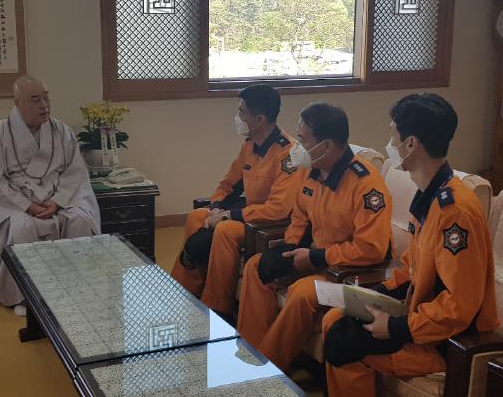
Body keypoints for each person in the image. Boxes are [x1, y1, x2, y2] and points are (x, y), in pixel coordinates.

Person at [322, 93, 500, 397]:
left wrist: (396, 328)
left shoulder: (455, 211)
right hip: (419, 318)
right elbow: (414, 269)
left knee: (344, 344)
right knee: (336, 319)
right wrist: (377, 295)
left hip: (442, 341)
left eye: (393, 134)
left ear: (411, 144)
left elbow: (459, 305)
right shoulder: (430, 195)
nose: (389, 143)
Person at [237, 102, 393, 371]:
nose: (296, 146)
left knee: (302, 292)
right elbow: (299, 216)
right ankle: (249, 349)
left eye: (302, 139)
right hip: (313, 257)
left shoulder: (366, 185)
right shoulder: (311, 171)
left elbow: (371, 249)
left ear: (326, 146)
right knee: (256, 266)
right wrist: (290, 249)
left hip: (346, 271)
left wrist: (317, 257)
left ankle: (267, 369)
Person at [0, 76, 101, 313]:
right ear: (17, 103)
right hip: (16, 203)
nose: (44, 105)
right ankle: (25, 298)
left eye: (46, 98)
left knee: (80, 220)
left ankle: (75, 289)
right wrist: (27, 205)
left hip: (58, 199)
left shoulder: (62, 131)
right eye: (35, 99)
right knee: (22, 228)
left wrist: (57, 202)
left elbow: (75, 172)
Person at [171, 85, 298, 319]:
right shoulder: (250, 146)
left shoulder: (287, 153)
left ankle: (217, 306)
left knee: (226, 230)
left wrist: (228, 216)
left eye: (242, 112)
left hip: (270, 223)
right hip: (250, 214)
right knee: (197, 216)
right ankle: (183, 291)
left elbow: (278, 209)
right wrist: (216, 208)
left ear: (258, 120)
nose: (237, 117)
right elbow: (228, 184)